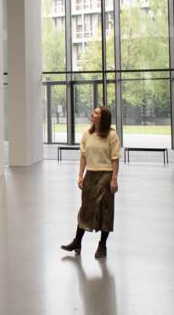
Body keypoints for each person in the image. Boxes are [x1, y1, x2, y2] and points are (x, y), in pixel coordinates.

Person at [61, 106, 120, 258]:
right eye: (94, 112)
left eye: (96, 113)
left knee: (105, 210)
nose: (92, 114)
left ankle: (102, 245)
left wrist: (114, 179)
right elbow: (83, 157)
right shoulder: (87, 134)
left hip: (106, 175)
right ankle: (77, 242)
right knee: (86, 209)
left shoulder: (111, 135)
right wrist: (80, 175)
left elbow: (115, 159)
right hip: (90, 175)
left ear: (103, 118)